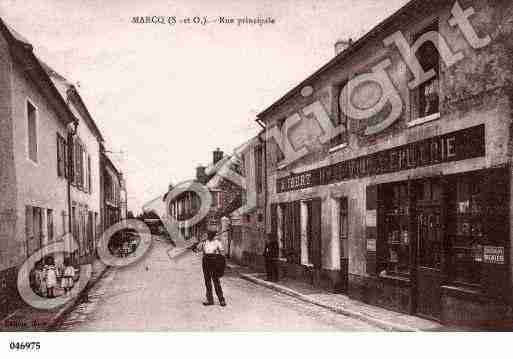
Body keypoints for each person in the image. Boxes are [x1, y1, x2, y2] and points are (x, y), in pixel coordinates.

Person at [197, 230, 226, 307]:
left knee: (216, 281)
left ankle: (221, 299)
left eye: (209, 235)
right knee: (207, 281)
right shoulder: (204, 242)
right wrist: (201, 241)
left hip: (214, 261)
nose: (208, 236)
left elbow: (223, 253)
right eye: (207, 235)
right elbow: (198, 249)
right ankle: (210, 300)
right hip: (206, 261)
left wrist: (219, 259)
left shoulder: (217, 242)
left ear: (212, 236)